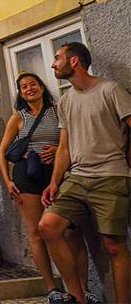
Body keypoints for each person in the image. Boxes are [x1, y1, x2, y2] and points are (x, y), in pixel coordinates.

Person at [39, 42, 131, 304]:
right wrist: (54, 182)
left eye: (57, 58)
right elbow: (64, 148)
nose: (53, 63)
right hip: (77, 177)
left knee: (114, 246)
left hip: (111, 175)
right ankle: (78, 297)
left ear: (75, 61)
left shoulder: (109, 90)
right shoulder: (66, 100)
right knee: (47, 227)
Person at [0, 72, 94, 304]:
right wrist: (8, 181)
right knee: (37, 233)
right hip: (27, 176)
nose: (29, 89)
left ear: (42, 86)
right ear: (20, 93)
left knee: (72, 231)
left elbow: (70, 140)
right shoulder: (18, 117)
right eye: (24, 87)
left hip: (57, 175)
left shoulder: (58, 110)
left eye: (33, 84)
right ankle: (52, 288)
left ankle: (82, 288)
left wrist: (55, 148)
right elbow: (2, 151)